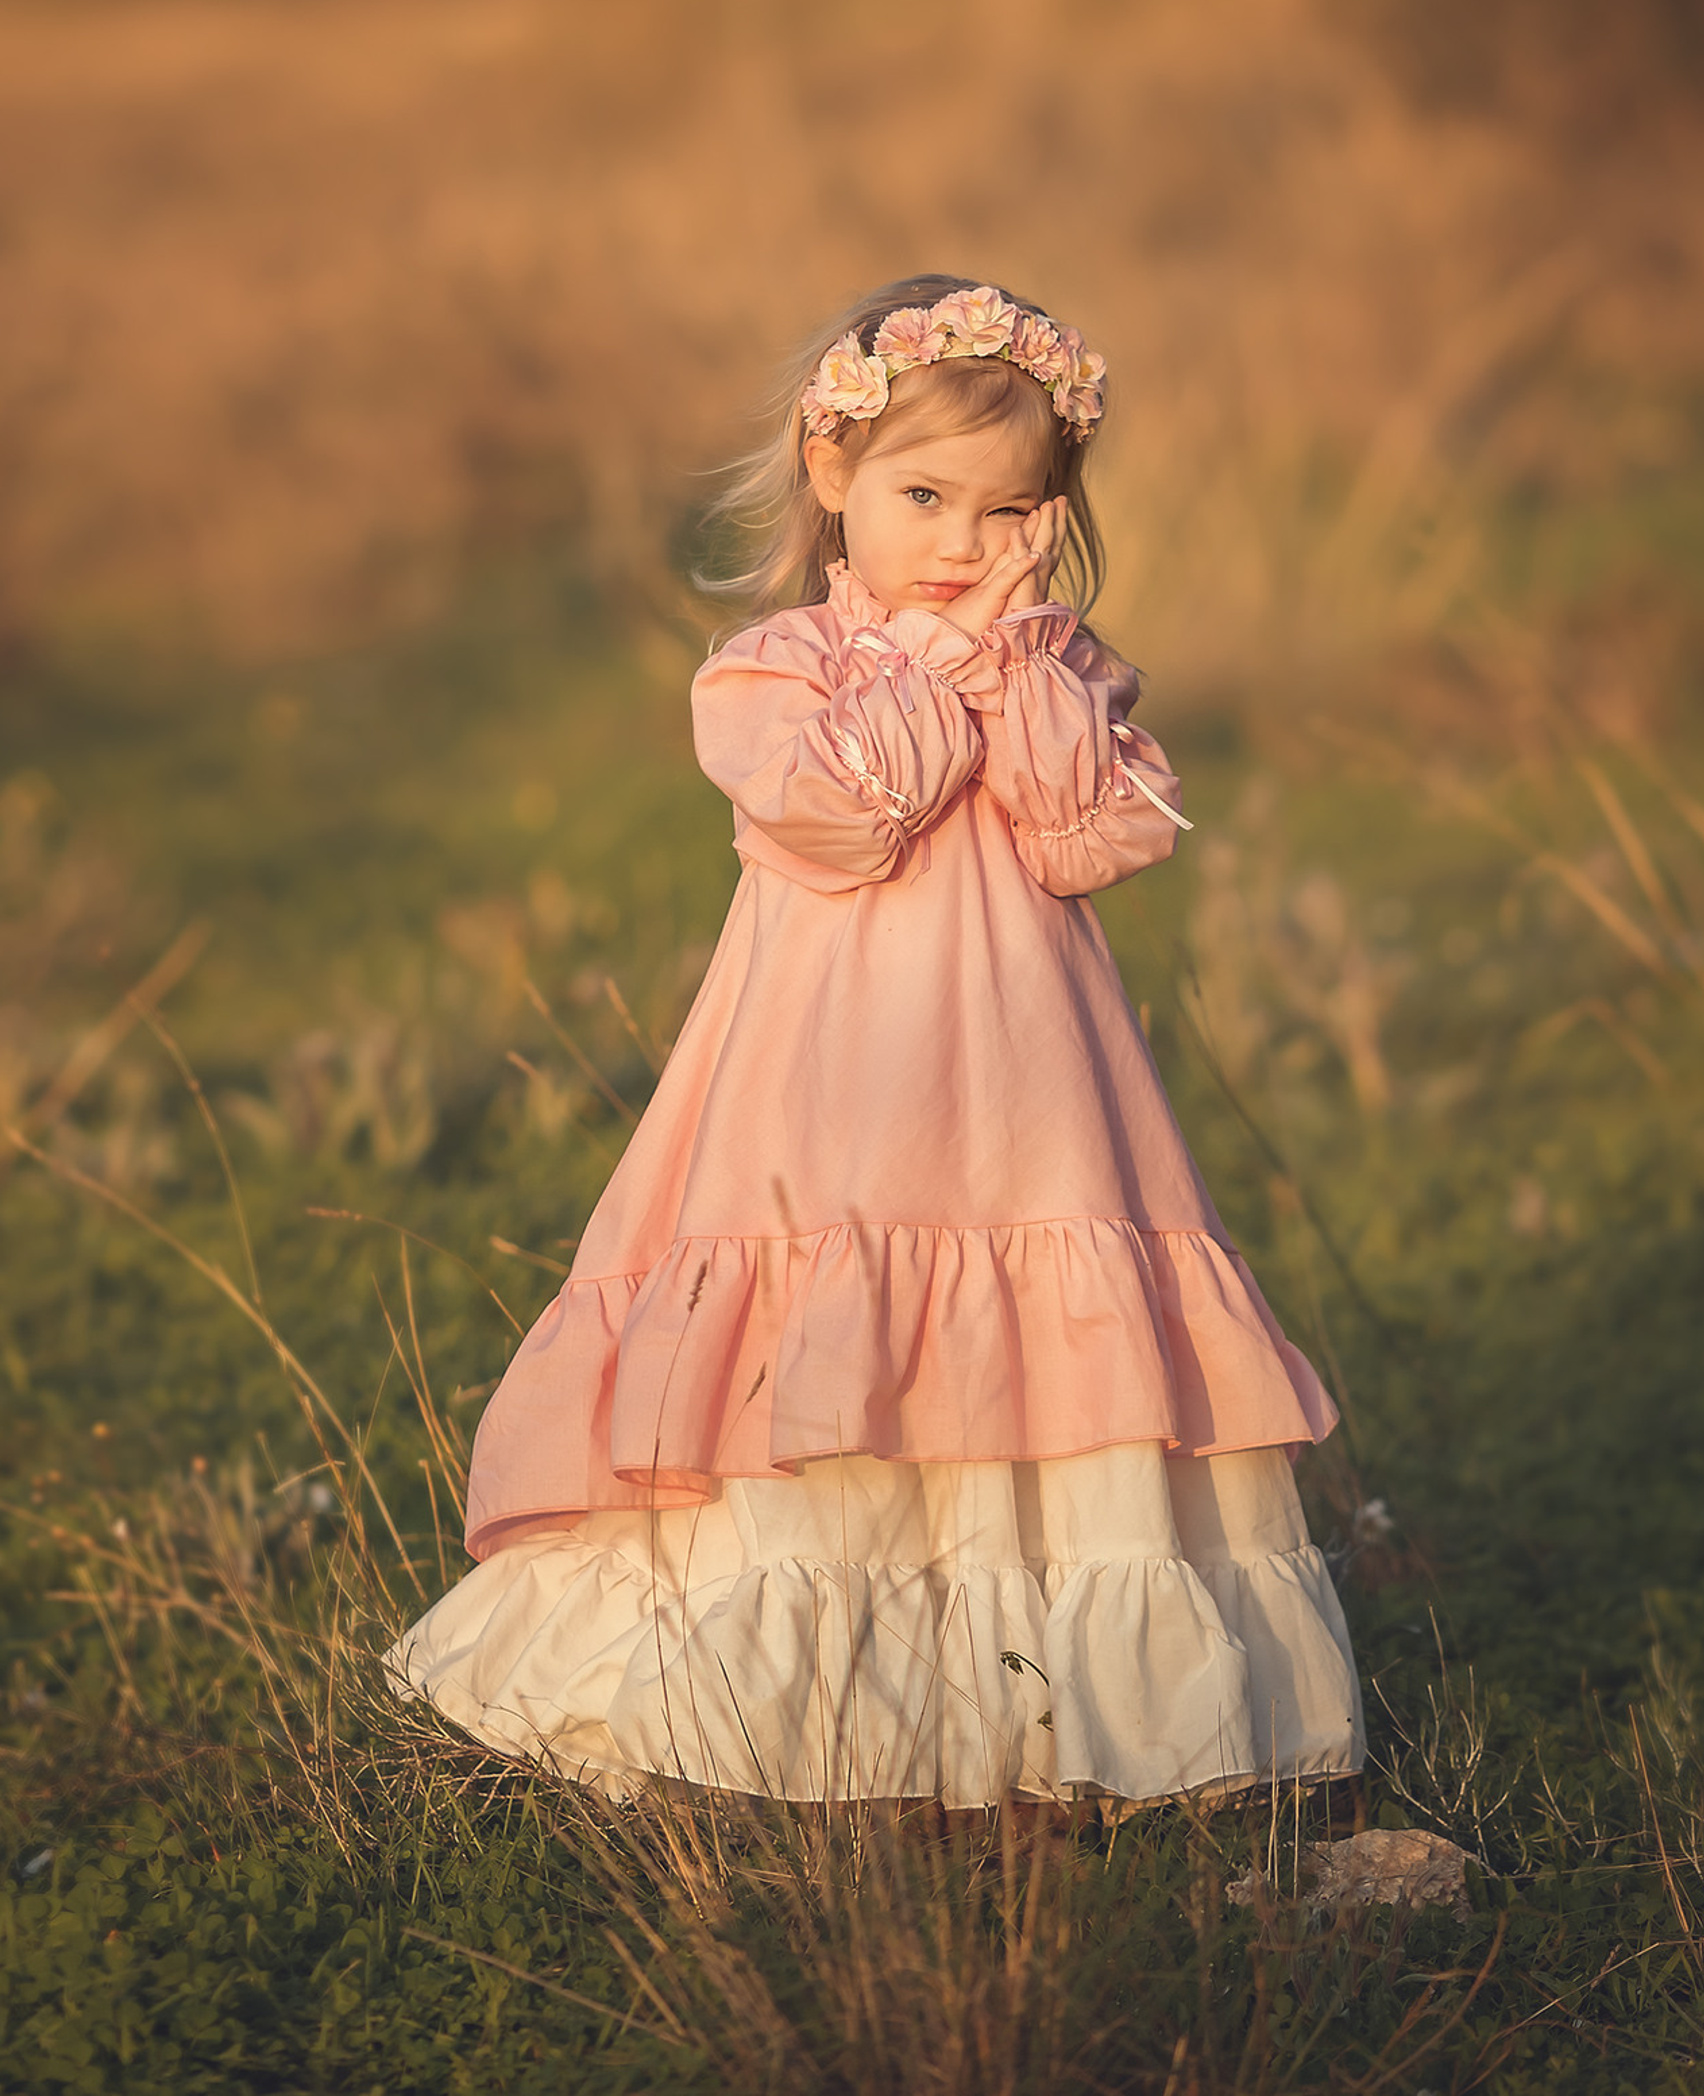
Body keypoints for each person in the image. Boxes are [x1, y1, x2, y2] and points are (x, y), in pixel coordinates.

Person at [392, 274, 1363, 1809]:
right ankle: (818, 1712)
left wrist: (1017, 662)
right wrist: (940, 662)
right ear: (832, 468)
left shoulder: (1060, 669)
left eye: (1008, 508)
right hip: (830, 1096)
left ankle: (1049, 1717)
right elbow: (848, 814)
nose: (964, 543)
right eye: (926, 497)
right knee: (840, 1348)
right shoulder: (775, 672)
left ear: (1050, 515)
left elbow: (1093, 835)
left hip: (1031, 1100)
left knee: (1034, 1355)